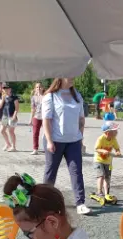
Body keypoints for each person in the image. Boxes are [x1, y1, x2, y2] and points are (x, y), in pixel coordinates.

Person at [42, 78, 90, 215]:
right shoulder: (50, 96)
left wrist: (80, 138)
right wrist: (49, 141)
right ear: (61, 77)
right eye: (70, 76)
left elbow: (81, 119)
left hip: (74, 141)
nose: (73, 78)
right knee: (51, 172)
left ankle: (80, 203)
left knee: (76, 171)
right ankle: (45, 203)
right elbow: (46, 120)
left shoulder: (77, 95)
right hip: (55, 140)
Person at [92, 122, 121, 202]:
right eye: (115, 131)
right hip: (99, 160)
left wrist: (118, 152)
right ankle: (99, 192)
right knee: (101, 175)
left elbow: (117, 148)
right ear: (108, 132)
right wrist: (103, 151)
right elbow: (96, 149)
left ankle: (106, 193)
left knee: (107, 177)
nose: (117, 132)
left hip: (108, 162)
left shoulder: (114, 139)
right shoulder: (101, 139)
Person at [0, 85, 19, 152]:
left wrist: (14, 116)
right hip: (5, 115)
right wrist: (3, 99)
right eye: (4, 88)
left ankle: (13, 147)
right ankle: (8, 144)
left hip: (12, 116)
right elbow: (0, 106)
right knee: (2, 130)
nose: (6, 90)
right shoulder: (3, 96)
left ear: (10, 89)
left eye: (7, 88)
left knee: (11, 131)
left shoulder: (14, 97)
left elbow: (17, 108)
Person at [30, 82, 44, 155]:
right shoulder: (33, 97)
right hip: (36, 116)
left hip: (45, 117)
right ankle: (35, 149)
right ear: (35, 88)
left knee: (46, 133)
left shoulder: (46, 96)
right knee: (35, 133)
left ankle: (48, 147)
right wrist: (31, 119)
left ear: (43, 88)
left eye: (40, 87)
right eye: (37, 87)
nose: (39, 88)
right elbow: (33, 109)